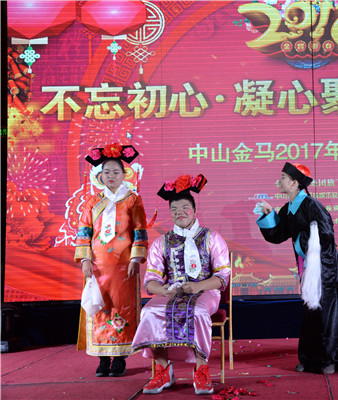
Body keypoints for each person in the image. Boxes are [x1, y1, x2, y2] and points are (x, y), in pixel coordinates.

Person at [132, 174, 231, 395]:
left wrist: (198, 287)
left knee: (197, 311)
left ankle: (201, 370)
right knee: (149, 311)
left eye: (185, 208)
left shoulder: (212, 238)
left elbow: (222, 276)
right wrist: (164, 290)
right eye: (174, 209)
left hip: (205, 291)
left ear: (194, 211)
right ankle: (163, 371)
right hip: (172, 292)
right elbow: (151, 281)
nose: (180, 213)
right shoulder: (161, 242)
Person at [256, 162, 338, 375]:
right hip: (307, 266)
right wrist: (269, 215)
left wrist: (303, 238)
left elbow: (326, 236)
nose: (279, 181)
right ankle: (309, 358)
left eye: (283, 177)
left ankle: (329, 359)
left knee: (326, 313)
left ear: (294, 183)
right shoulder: (289, 207)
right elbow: (278, 234)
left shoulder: (312, 205)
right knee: (310, 312)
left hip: (324, 268)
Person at [75, 143, 148, 377]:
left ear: (124, 174)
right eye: (107, 172)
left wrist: (136, 258)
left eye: (116, 172)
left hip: (124, 266)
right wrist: (85, 259)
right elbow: (84, 231)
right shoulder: (92, 201)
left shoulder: (133, 200)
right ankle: (102, 358)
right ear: (100, 176)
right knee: (100, 307)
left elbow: (139, 230)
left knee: (122, 306)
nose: (111, 176)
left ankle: (120, 358)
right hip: (97, 265)